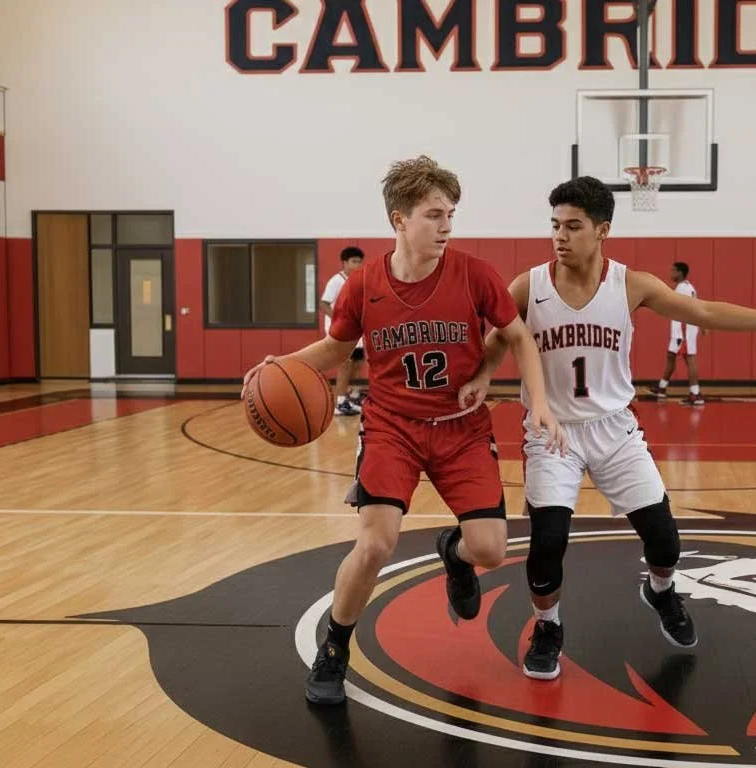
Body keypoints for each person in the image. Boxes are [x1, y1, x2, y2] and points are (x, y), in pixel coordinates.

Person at [459, 176, 756, 680]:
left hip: (615, 429)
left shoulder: (630, 284)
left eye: (573, 226)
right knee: (548, 541)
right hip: (553, 433)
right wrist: (484, 373)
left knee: (665, 542)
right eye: (554, 226)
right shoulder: (529, 285)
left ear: (602, 231)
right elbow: (498, 338)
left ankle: (660, 590)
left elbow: (701, 311)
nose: (560, 236)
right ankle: (548, 625)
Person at [241, 156, 566, 705]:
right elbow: (335, 350)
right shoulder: (363, 285)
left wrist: (541, 403)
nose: (446, 226)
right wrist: (278, 366)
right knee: (376, 543)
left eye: (451, 215)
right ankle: (335, 648)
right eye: (434, 215)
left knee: (489, 549)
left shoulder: (475, 274)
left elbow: (519, 339)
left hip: (461, 428)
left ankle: (454, 554)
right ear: (399, 220)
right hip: (393, 426)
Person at [320, 246, 367, 415]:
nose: (358, 264)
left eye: (360, 261)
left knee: (358, 363)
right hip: (339, 329)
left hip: (355, 328)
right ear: (345, 263)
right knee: (345, 364)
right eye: (354, 261)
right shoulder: (336, 281)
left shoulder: (359, 279)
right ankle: (339, 402)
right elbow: (324, 304)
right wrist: (339, 318)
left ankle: (351, 396)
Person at [651, 262, 704, 405]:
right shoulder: (688, 287)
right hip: (682, 329)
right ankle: (662, 388)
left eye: (673, 270)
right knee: (671, 356)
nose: (671, 273)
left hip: (684, 330)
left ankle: (695, 393)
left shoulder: (682, 288)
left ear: (680, 272)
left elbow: (689, 307)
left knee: (689, 359)